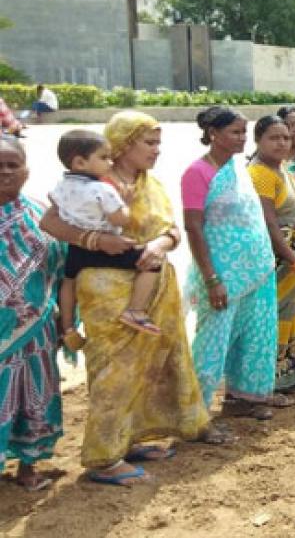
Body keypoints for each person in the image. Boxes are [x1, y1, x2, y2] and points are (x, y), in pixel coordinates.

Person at [40, 111, 228, 486]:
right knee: (115, 372)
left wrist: (160, 244)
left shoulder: (149, 183)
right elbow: (51, 222)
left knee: (153, 365)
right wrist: (95, 240)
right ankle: (103, 457)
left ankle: (128, 440)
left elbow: (172, 229)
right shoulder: (94, 183)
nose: (157, 151)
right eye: (150, 143)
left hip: (152, 286)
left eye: (159, 143)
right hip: (108, 289)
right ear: (123, 144)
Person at [182, 107, 280, 419]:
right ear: (213, 134)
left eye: (243, 132)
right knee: (213, 341)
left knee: (256, 336)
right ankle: (196, 413)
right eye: (235, 132)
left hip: (258, 269)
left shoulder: (239, 169)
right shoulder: (197, 173)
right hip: (223, 272)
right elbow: (194, 227)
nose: (241, 138)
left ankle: (244, 397)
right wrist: (211, 278)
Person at [50, 130, 161, 343]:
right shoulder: (101, 188)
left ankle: (68, 328)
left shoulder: (61, 186)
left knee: (69, 281)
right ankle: (135, 311)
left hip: (76, 248)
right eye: (104, 158)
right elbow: (120, 220)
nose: (110, 163)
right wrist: (126, 202)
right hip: (106, 248)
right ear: (80, 162)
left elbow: (55, 209)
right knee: (153, 262)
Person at [0, 137, 66, 491]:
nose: (6, 171)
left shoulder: (42, 214)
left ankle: (29, 467)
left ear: (26, 168)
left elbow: (63, 265)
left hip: (39, 329)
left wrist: (65, 320)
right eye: (0, 165)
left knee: (37, 397)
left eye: (14, 164)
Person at [248, 115, 295, 393]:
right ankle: (266, 381)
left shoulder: (283, 169)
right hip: (282, 260)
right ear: (258, 140)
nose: (282, 143)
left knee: (292, 314)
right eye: (274, 138)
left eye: (285, 138)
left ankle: (286, 375)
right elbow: (269, 224)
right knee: (273, 318)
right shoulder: (260, 174)